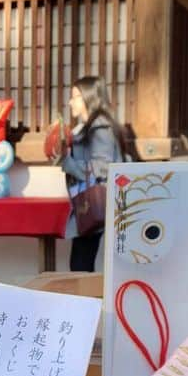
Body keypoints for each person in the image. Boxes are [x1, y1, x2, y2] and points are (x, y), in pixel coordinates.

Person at [59, 75, 125, 272]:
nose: (71, 102)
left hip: (95, 203)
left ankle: (86, 302)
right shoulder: (91, 126)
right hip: (90, 202)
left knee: (80, 264)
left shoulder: (100, 128)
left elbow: (103, 165)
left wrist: (68, 162)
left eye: (76, 97)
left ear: (89, 97)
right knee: (82, 262)